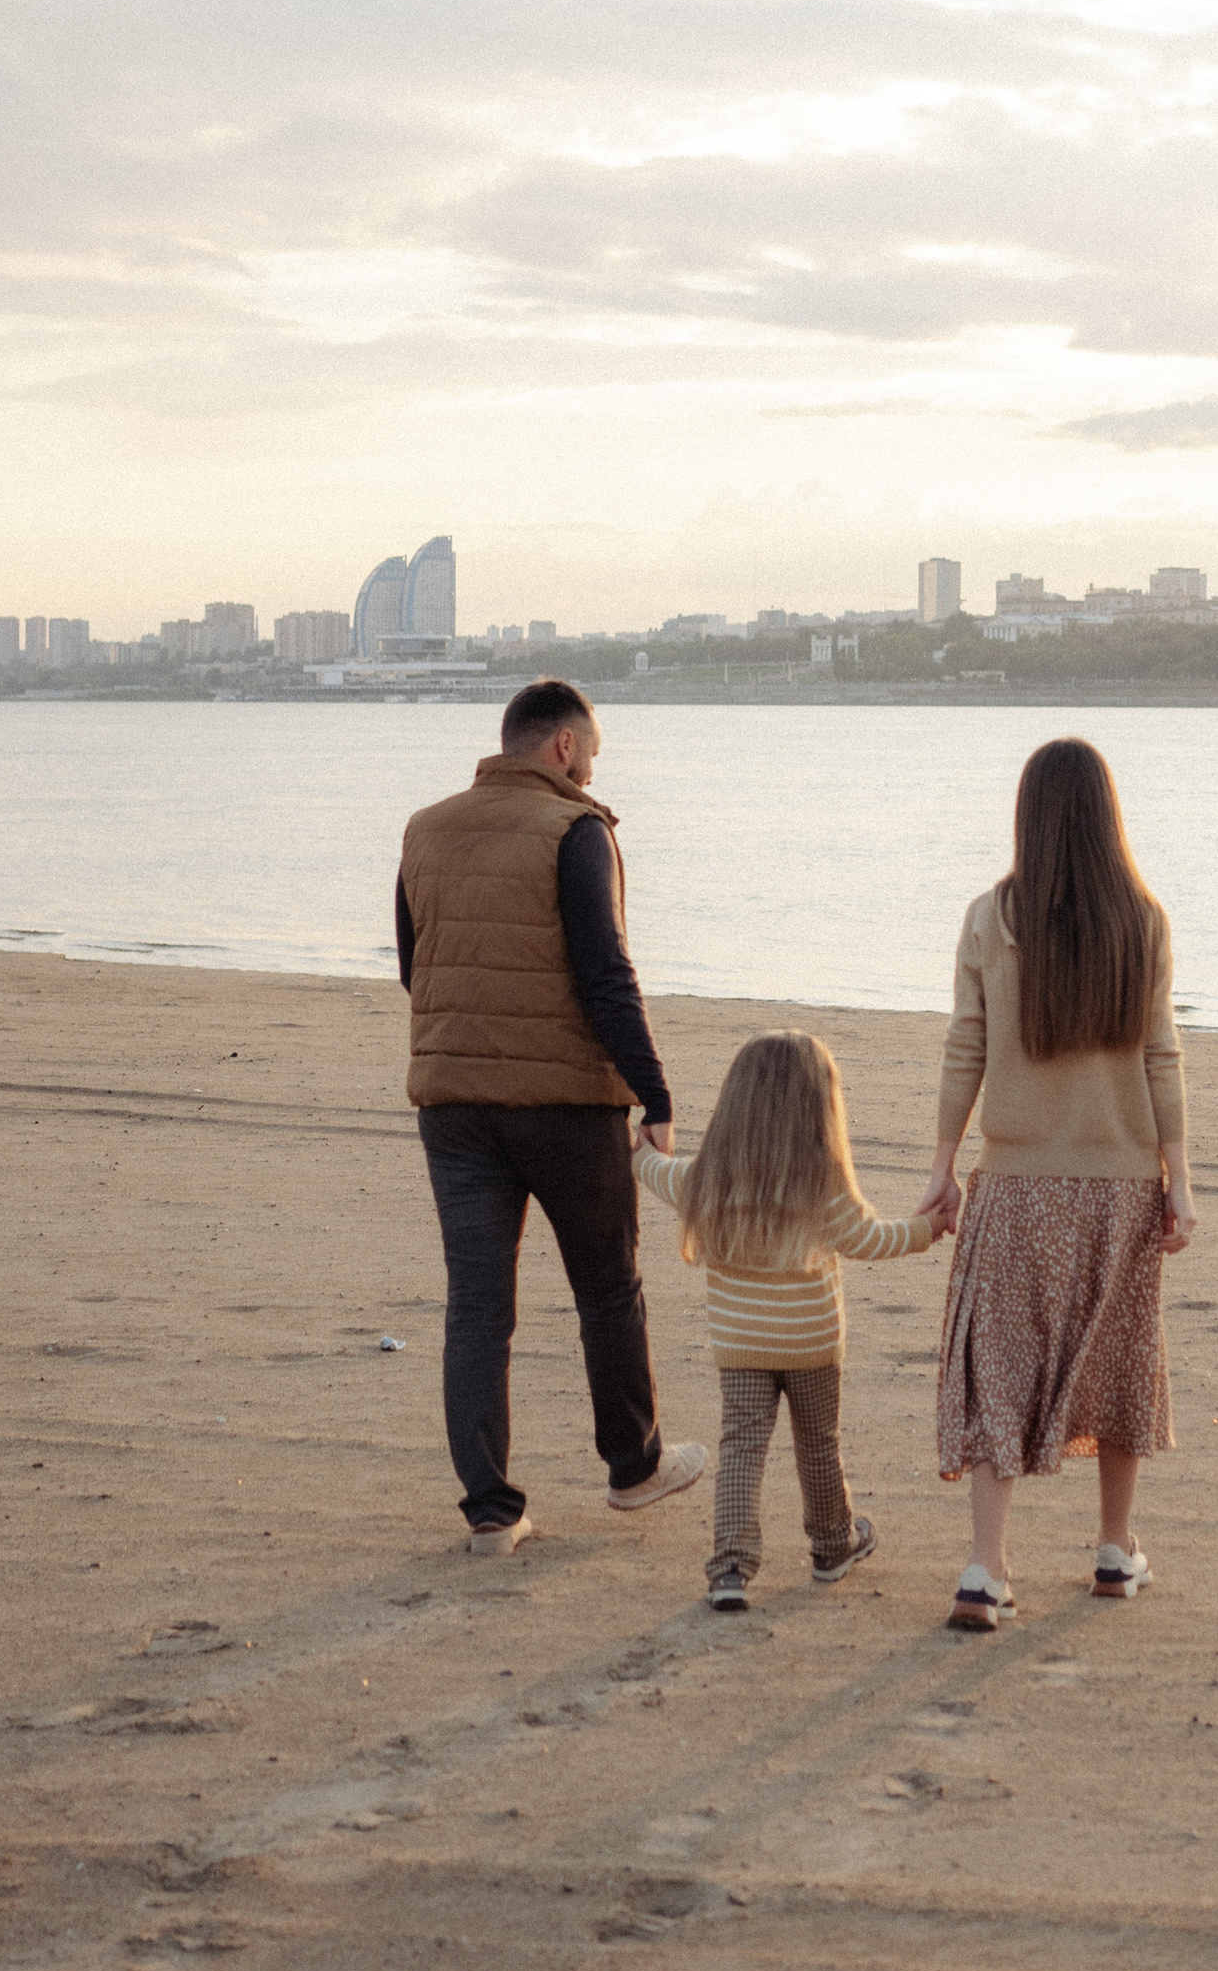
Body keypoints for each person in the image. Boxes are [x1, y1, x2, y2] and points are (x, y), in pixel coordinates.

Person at [396, 678, 705, 1550]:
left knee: (478, 1307)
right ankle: (633, 1467)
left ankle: (491, 1513)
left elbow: (416, 966)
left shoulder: (425, 828)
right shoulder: (578, 830)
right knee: (607, 1287)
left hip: (453, 1106)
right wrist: (655, 1093)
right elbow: (607, 974)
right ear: (564, 747)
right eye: (592, 753)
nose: (591, 771)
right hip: (567, 1103)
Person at [917, 737, 1193, 1630]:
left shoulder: (990, 918)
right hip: (1118, 1187)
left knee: (998, 1362)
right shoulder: (1141, 920)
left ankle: (985, 1569)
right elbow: (1162, 1057)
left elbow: (965, 1049)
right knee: (1117, 1364)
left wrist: (942, 1167)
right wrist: (1178, 1184)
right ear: (1107, 815)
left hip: (1018, 1183)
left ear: (1027, 815)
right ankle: (1115, 1550)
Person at [638, 1031, 937, 1609]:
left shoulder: (705, 1179)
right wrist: (929, 1227)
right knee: (819, 1446)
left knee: (742, 1449)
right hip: (812, 1343)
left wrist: (639, 1149)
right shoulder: (821, 1182)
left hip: (741, 1344)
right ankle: (832, 1547)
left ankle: (729, 1567)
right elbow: (869, 1238)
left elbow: (653, 1171)